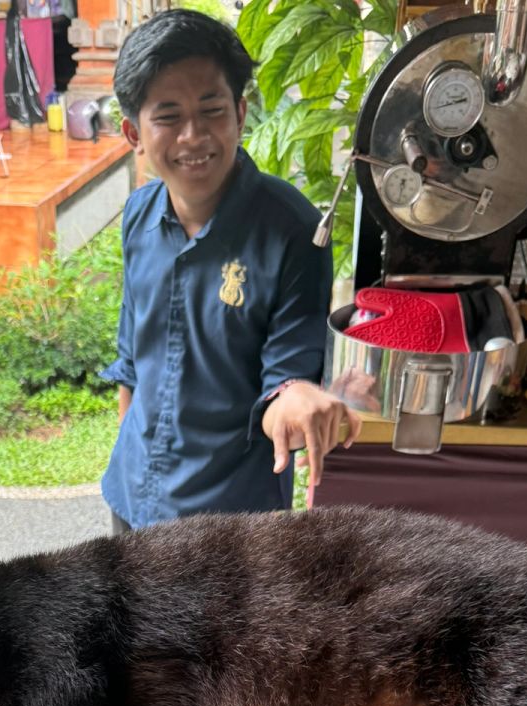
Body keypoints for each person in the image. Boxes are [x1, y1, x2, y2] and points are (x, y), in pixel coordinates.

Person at [100, 9, 361, 531]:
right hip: (131, 500)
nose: (194, 137)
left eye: (212, 110)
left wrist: (300, 398)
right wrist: (131, 455)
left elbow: (287, 380)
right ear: (134, 132)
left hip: (227, 526)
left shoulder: (293, 230)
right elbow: (132, 357)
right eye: (168, 117)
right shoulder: (138, 215)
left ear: (240, 114)